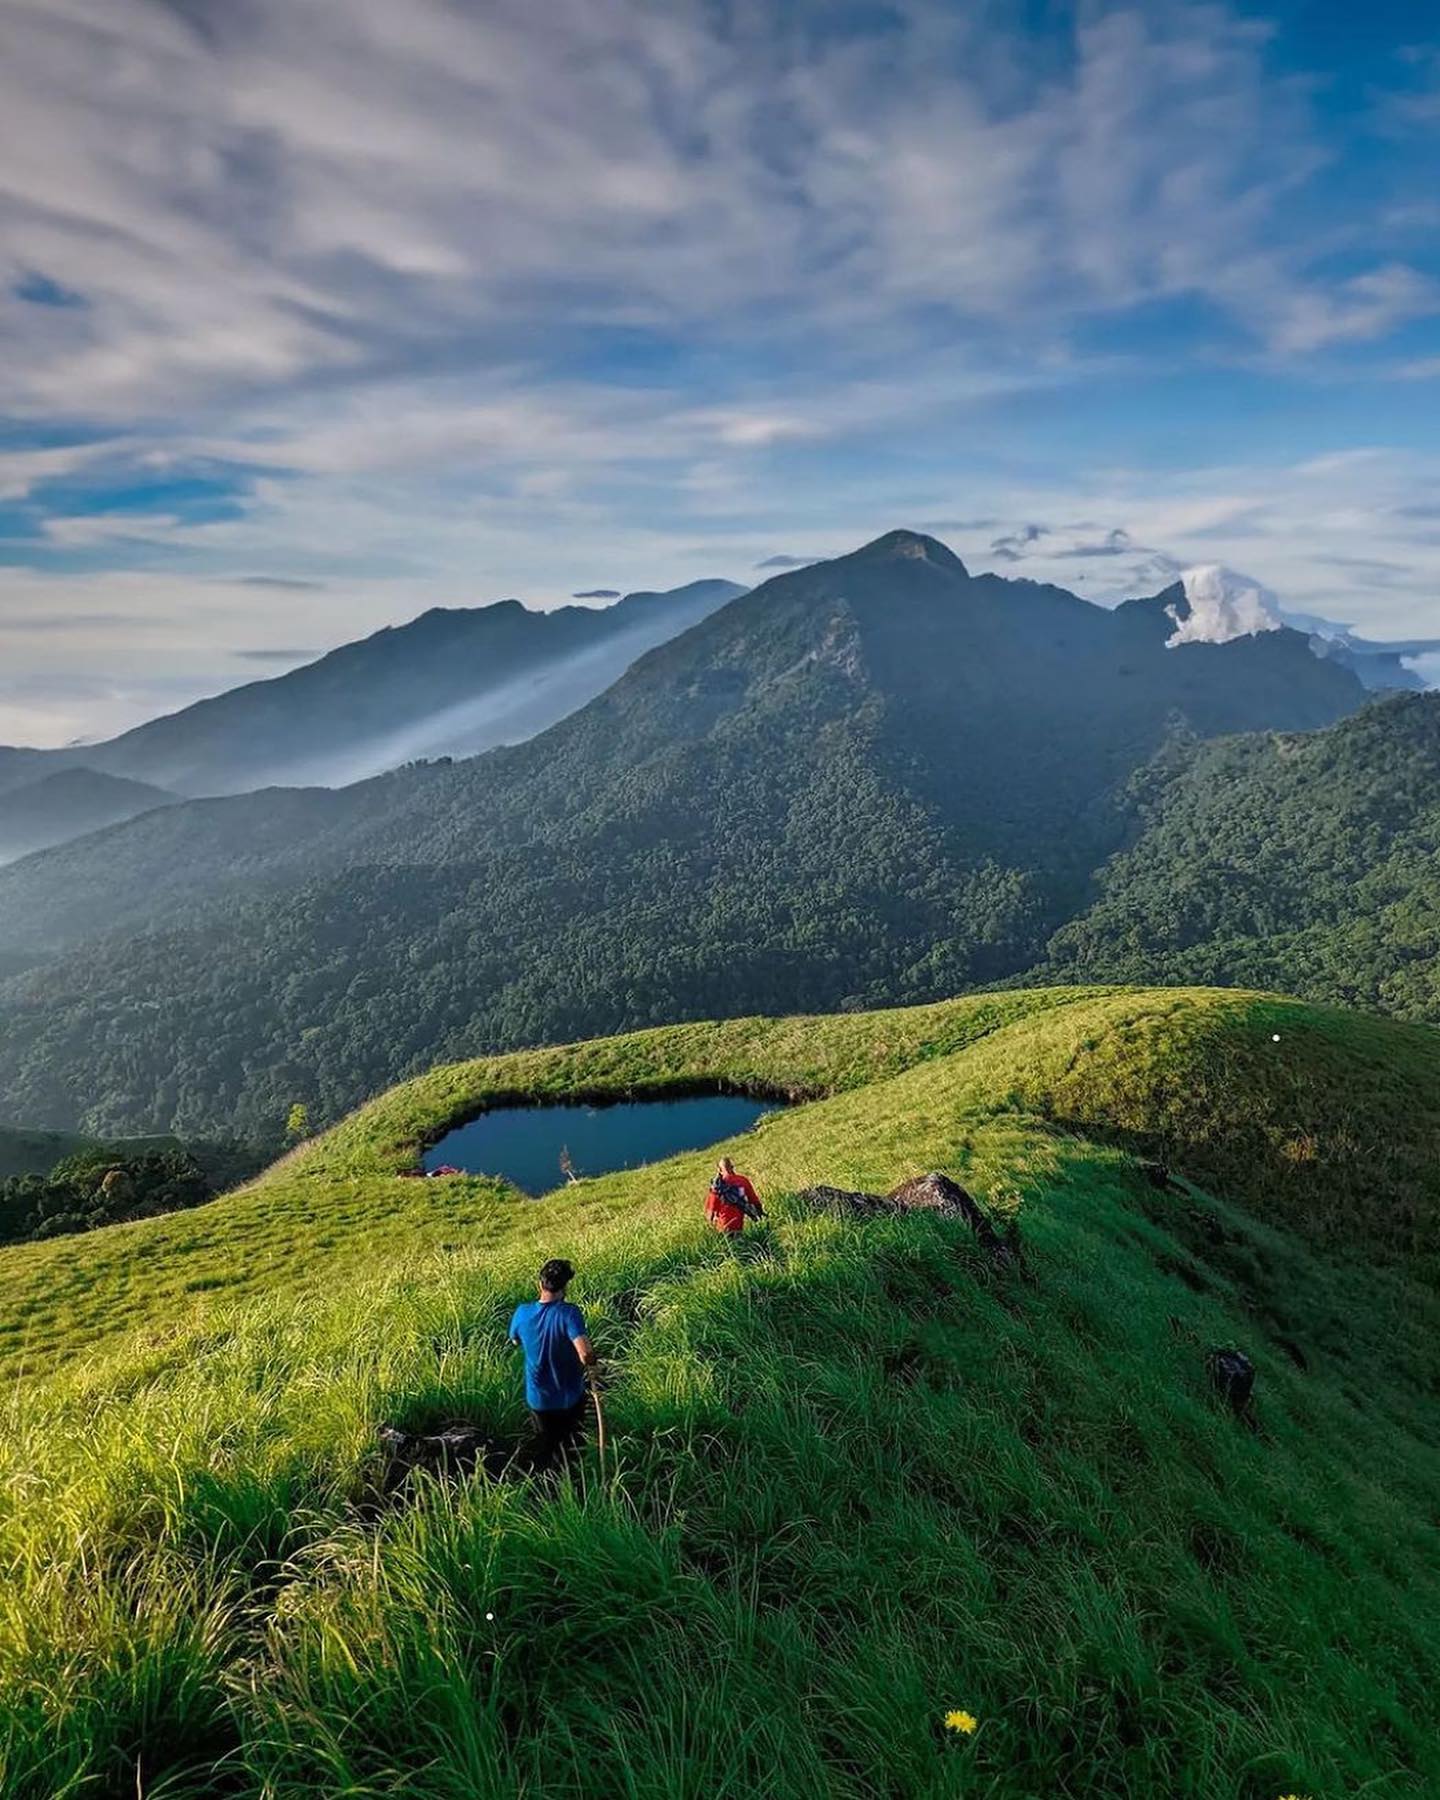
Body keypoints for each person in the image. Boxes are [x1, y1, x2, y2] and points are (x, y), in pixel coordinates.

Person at [508, 1258, 597, 1471]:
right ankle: (574, 1487)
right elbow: (585, 1353)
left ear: (541, 1284)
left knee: (546, 1446)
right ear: (564, 1287)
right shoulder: (569, 1313)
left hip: (538, 1400)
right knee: (572, 1449)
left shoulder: (522, 1313)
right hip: (569, 1399)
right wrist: (592, 1362)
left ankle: (546, 1487)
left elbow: (515, 1340)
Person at [705, 1155, 764, 1235]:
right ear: (732, 1167)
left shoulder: (717, 1187)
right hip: (738, 1225)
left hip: (723, 1227)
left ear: (719, 1170)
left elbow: (710, 1212)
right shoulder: (743, 1181)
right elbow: (754, 1201)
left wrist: (710, 1229)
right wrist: (760, 1215)